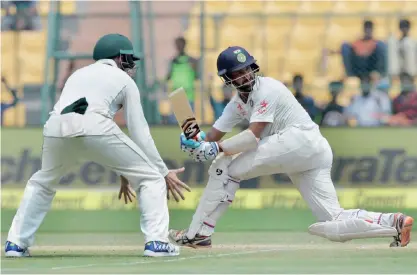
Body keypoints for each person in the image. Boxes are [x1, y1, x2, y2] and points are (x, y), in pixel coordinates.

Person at [168, 46, 413, 249]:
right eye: (237, 72)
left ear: (254, 67)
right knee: (332, 220)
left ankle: (198, 233)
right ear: (228, 79)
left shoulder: (268, 89)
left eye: (247, 69)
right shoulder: (236, 104)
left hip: (299, 141)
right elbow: (212, 136)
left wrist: (215, 148)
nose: (245, 75)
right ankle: (394, 222)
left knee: (226, 167)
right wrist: (196, 140)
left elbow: (254, 136)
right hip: (309, 151)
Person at [4, 33, 190, 258]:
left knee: (42, 182)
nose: (131, 66)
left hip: (55, 127)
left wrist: (124, 170)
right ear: (120, 58)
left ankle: (16, 243)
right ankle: (157, 242)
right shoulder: (125, 81)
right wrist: (163, 171)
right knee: (150, 178)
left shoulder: (78, 74)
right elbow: (139, 132)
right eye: (129, 60)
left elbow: (100, 129)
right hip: (94, 126)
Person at [166, 37, 199, 110]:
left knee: (188, 120)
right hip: (176, 95)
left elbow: (197, 76)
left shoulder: (192, 61)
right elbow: (168, 77)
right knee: (175, 120)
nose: (179, 47)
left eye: (180, 45)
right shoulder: (173, 61)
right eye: (177, 45)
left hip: (189, 95)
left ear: (185, 45)